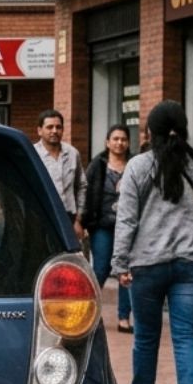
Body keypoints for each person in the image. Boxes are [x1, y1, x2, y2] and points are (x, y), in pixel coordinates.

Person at [111, 100, 193, 384]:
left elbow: (127, 219)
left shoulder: (138, 166)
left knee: (145, 339)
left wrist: (119, 263)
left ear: (150, 133)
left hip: (147, 264)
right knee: (187, 337)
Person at [82, 124, 135, 333]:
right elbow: (87, 193)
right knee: (101, 268)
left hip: (129, 227)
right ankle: (88, 313)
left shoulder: (134, 164)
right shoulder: (98, 165)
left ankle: (124, 318)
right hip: (102, 225)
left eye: (123, 139)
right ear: (107, 142)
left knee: (126, 271)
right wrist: (84, 220)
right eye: (115, 139)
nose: (119, 143)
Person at [34, 109, 86, 241]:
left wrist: (78, 219)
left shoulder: (72, 153)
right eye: (49, 127)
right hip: (41, 216)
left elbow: (81, 186)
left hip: (69, 217)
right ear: (40, 130)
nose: (54, 131)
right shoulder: (32, 154)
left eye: (58, 127)